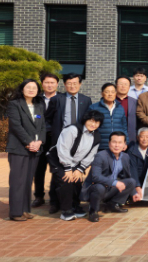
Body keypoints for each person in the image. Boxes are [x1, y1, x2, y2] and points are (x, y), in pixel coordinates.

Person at [44, 73, 92, 214]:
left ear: (80, 84)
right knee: (59, 174)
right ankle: (54, 202)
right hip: (60, 143)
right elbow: (47, 120)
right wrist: (52, 135)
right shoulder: (57, 99)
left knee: (76, 174)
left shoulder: (86, 100)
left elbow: (88, 121)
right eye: (69, 83)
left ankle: (75, 203)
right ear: (64, 85)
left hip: (78, 144)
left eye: (75, 83)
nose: (72, 86)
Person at [47, 110, 102, 221]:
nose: (93, 124)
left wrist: (80, 169)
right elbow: (63, 148)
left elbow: (91, 155)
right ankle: (66, 210)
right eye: (91, 121)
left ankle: (75, 206)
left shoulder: (96, 136)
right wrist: (67, 168)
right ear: (85, 120)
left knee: (77, 181)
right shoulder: (72, 130)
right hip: (58, 159)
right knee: (66, 180)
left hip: (76, 162)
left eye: (97, 122)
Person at [6, 79, 46, 221]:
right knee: (18, 181)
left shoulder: (39, 105)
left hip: (35, 148)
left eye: (34, 87)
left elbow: (43, 126)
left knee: (28, 180)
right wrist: (29, 142)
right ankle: (16, 212)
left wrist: (40, 141)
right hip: (19, 148)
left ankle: (24, 210)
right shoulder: (14, 105)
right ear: (22, 89)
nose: (31, 90)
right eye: (28, 87)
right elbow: (16, 126)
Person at [87, 132, 140, 222]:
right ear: (109, 143)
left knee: (131, 181)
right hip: (97, 188)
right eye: (114, 142)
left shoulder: (125, 157)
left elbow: (128, 176)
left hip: (111, 189)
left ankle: (113, 204)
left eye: (120, 143)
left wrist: (134, 193)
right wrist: (115, 182)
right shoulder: (101, 155)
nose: (117, 145)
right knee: (100, 187)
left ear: (124, 145)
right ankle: (93, 210)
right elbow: (95, 177)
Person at [32, 72, 59, 208]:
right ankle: (39, 196)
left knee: (56, 168)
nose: (49, 85)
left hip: (56, 139)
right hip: (39, 139)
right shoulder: (36, 99)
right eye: (47, 82)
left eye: (52, 82)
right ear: (42, 84)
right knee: (39, 168)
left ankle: (54, 196)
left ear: (57, 84)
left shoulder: (62, 99)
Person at [88, 83, 128, 151]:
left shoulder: (120, 108)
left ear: (116, 93)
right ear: (102, 94)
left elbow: (124, 127)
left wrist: (125, 142)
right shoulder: (94, 107)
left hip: (117, 146)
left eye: (112, 92)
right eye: (107, 92)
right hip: (100, 145)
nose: (110, 94)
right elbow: (89, 128)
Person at [115, 76, 138, 144]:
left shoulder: (136, 102)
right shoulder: (110, 101)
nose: (123, 86)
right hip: (113, 137)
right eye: (121, 84)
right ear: (116, 85)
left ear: (129, 87)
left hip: (131, 138)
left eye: (126, 84)